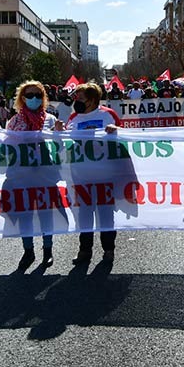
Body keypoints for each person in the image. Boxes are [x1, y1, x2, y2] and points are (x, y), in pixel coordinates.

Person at [6, 81, 64, 269]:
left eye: (37, 95)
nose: (34, 99)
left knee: (46, 212)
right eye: (29, 95)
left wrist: (58, 134)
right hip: (23, 175)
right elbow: (6, 147)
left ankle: (48, 251)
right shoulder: (14, 121)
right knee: (25, 213)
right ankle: (28, 251)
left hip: (45, 174)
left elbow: (60, 147)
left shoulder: (50, 119)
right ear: (22, 98)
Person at [66, 83, 121, 264]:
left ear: (92, 99)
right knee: (84, 214)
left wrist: (116, 132)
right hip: (81, 175)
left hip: (105, 175)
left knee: (106, 214)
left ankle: (108, 250)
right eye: (76, 97)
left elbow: (122, 139)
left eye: (80, 97)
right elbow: (65, 141)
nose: (77, 101)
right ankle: (85, 250)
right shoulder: (74, 118)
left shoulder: (107, 115)